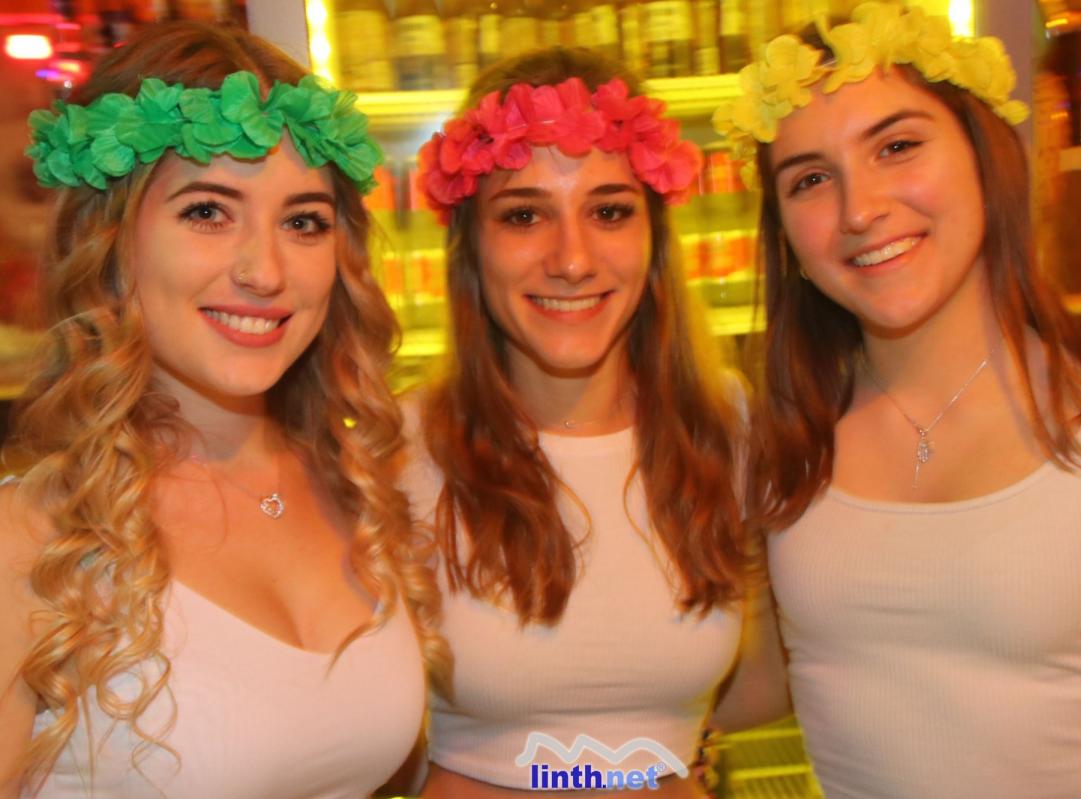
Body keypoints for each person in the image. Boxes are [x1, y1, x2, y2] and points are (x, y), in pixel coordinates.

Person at [714, 3, 1081, 797]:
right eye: (810, 179)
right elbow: (754, 683)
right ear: (786, 238)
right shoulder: (780, 439)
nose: (860, 209)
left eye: (897, 146)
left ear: (984, 157)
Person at [0, 21, 443, 798]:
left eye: (303, 221)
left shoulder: (359, 486)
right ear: (110, 239)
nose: (265, 271)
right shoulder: (34, 542)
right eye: (208, 211)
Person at [407, 46, 787, 798]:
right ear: (470, 247)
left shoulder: (729, 425)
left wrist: (651, 751)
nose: (572, 260)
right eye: (524, 216)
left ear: (653, 241)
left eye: (609, 211)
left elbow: (772, 675)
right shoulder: (400, 451)